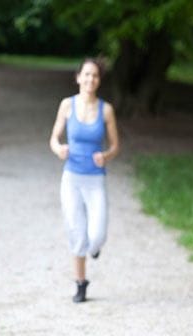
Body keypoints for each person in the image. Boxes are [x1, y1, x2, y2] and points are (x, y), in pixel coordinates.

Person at [49, 58, 119, 303]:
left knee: (97, 235)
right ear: (78, 77)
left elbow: (115, 146)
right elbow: (54, 138)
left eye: (95, 76)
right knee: (77, 232)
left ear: (99, 81)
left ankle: (94, 247)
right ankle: (80, 283)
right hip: (72, 178)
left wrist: (106, 156)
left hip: (95, 179)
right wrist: (59, 149)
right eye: (86, 75)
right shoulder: (67, 105)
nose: (91, 80)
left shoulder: (106, 109)